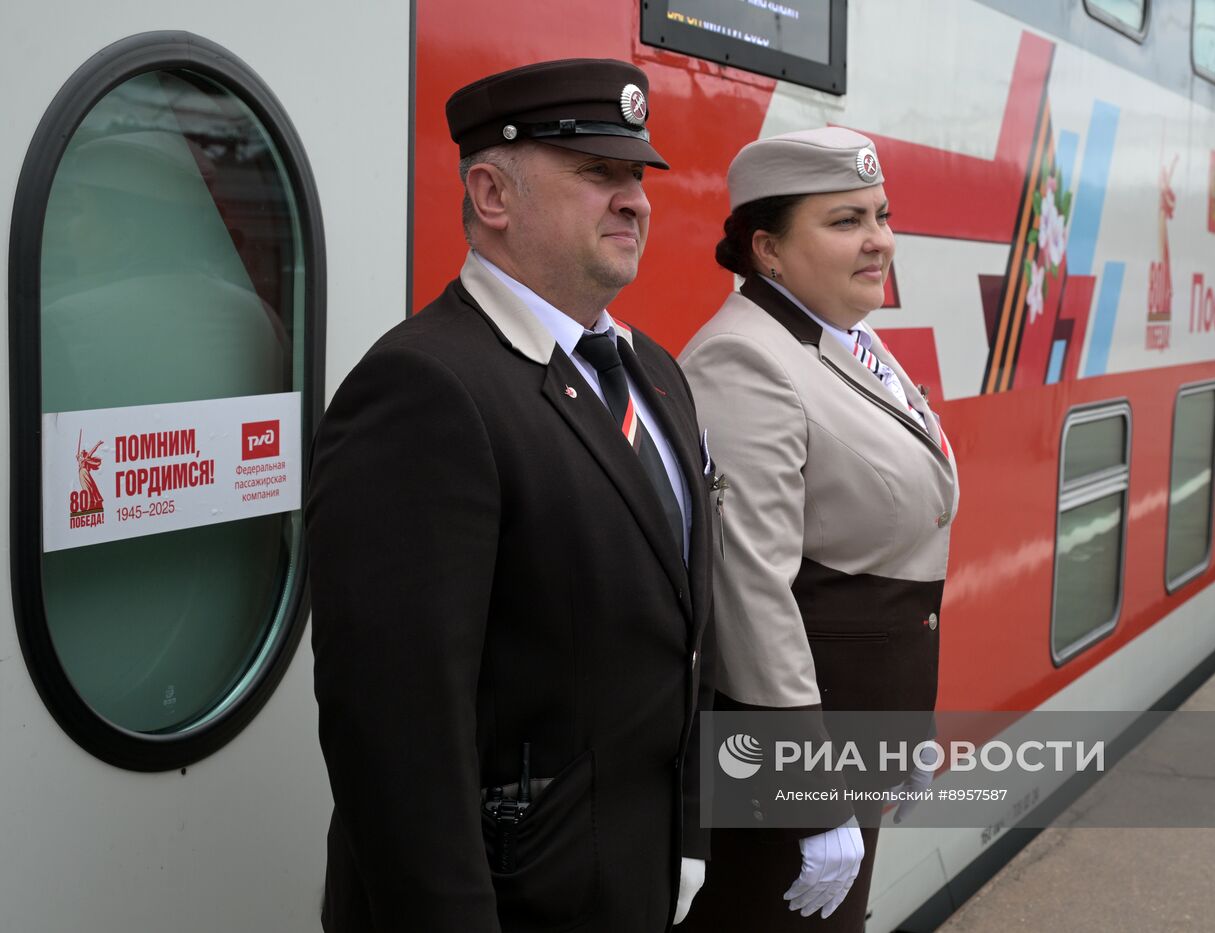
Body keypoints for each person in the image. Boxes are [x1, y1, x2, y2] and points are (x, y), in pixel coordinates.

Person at [307, 58, 713, 933]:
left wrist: (689, 834)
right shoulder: (423, 389)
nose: (635, 199)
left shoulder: (656, 377)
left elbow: (677, 641)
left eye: (637, 175)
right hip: (517, 901)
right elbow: (393, 736)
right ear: (491, 193)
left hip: (635, 877)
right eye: (598, 173)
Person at [676, 127, 959, 931]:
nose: (880, 241)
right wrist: (813, 800)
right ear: (767, 248)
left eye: (881, 214)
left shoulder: (848, 338)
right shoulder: (746, 360)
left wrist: (906, 724)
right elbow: (751, 592)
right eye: (846, 222)